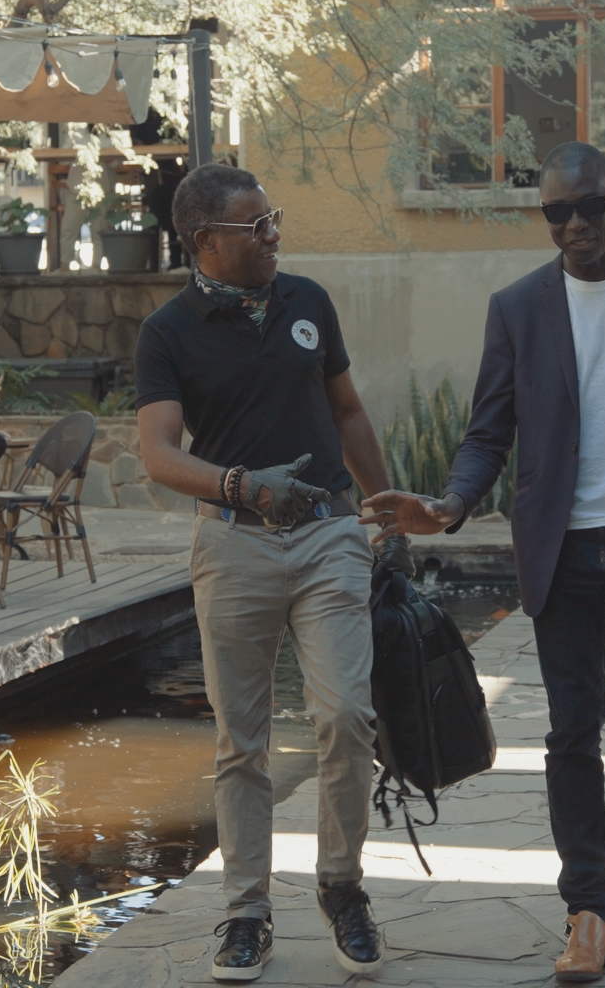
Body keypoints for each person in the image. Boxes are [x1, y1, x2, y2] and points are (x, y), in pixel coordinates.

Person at [361, 141, 605, 981]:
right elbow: (489, 430)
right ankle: (589, 909)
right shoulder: (519, 307)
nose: (577, 225)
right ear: (543, 215)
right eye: (559, 212)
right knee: (572, 729)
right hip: (560, 542)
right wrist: (449, 506)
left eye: (591, 207)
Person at [134, 163, 391, 982]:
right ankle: (246, 911)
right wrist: (242, 486)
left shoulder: (307, 301)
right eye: (257, 226)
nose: (275, 234)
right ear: (208, 242)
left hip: (326, 536)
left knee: (346, 716)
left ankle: (342, 885)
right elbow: (158, 456)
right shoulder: (167, 332)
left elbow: (347, 409)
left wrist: (383, 507)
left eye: (273, 218)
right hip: (236, 544)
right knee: (240, 742)